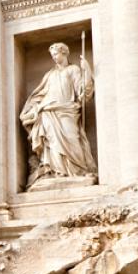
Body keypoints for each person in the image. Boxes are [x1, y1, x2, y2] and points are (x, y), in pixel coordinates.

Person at [20, 43, 96, 186]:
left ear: (64, 53)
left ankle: (78, 171)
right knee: (52, 143)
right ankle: (56, 172)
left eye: (56, 54)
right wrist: (34, 109)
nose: (54, 57)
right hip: (48, 112)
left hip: (68, 111)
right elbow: (40, 94)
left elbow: (83, 92)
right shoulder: (50, 74)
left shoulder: (73, 70)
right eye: (52, 55)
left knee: (72, 139)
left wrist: (87, 72)